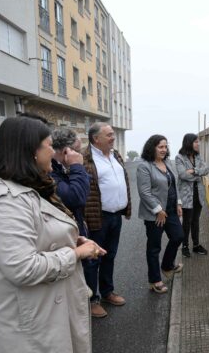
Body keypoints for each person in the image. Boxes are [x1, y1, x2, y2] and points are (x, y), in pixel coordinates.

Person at [0, 116, 105, 353]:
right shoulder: (5, 199)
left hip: (48, 310)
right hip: (30, 325)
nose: (55, 151)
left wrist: (73, 240)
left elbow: (39, 229)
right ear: (31, 151)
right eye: (49, 145)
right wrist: (75, 253)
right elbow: (23, 267)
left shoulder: (30, 187)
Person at [83, 122, 131, 318]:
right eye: (109, 135)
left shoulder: (115, 154)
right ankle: (92, 299)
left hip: (115, 216)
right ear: (96, 139)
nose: (113, 137)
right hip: (97, 217)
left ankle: (107, 292)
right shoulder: (86, 159)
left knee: (109, 256)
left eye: (113, 134)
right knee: (93, 260)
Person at [137, 135, 184, 293]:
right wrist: (158, 210)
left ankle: (167, 265)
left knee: (178, 236)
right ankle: (155, 280)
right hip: (155, 214)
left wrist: (178, 203)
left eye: (165, 146)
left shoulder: (167, 163)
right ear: (152, 148)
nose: (164, 150)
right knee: (154, 247)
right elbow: (144, 192)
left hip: (170, 210)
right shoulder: (144, 166)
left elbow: (174, 185)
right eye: (160, 147)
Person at [51, 128, 90, 237]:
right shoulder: (50, 171)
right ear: (65, 151)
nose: (80, 155)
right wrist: (77, 167)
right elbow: (76, 198)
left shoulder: (61, 167)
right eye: (77, 151)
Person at [176, 133, 209, 257]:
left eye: (198, 142)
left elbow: (206, 169)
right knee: (187, 222)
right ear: (189, 143)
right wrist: (197, 175)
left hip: (198, 195)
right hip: (186, 195)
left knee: (196, 221)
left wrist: (194, 171)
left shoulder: (198, 157)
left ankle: (196, 245)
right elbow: (182, 175)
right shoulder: (180, 158)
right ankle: (184, 246)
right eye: (196, 142)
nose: (198, 144)